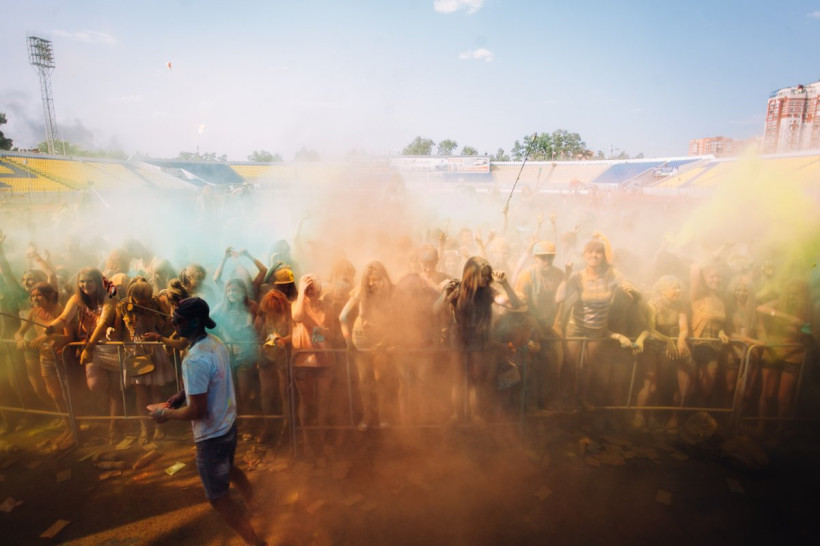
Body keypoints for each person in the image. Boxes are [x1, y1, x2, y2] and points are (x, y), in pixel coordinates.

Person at [148, 297, 265, 546]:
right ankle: (255, 504)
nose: (173, 325)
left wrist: (164, 414)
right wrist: (182, 394)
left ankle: (255, 542)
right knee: (230, 468)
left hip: (212, 437)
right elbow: (212, 378)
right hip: (228, 425)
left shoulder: (194, 360)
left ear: (194, 322)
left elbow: (197, 411)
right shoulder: (215, 343)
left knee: (218, 498)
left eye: (177, 321)